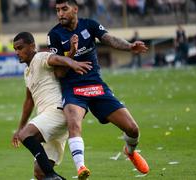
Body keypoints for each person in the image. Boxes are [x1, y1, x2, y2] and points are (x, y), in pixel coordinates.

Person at [47, 1, 150, 179]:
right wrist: (71, 53)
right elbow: (59, 73)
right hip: (73, 89)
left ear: (75, 9)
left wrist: (129, 46)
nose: (60, 14)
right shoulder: (55, 34)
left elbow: (109, 39)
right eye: (57, 10)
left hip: (96, 86)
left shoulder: (90, 25)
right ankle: (81, 168)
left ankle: (130, 151)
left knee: (133, 129)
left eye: (64, 9)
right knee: (74, 123)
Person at [11, 32, 92, 180]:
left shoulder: (40, 58)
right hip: (46, 120)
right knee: (39, 172)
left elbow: (56, 58)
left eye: (20, 48)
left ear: (32, 46)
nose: (17, 52)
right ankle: (50, 175)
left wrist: (72, 59)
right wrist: (19, 127)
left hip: (57, 112)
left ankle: (51, 175)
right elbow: (29, 101)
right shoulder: (27, 72)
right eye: (15, 49)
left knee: (26, 135)